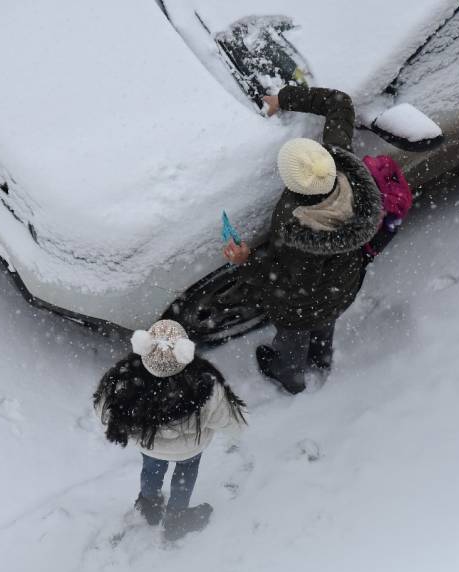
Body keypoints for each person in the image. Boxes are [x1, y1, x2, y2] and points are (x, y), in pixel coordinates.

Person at [223, 86, 382, 394]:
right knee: (326, 323)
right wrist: (284, 98)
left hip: (303, 306)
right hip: (343, 285)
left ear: (296, 186)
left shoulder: (300, 233)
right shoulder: (342, 165)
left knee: (293, 340)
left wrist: (245, 261)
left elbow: (281, 278)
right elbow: (339, 103)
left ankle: (290, 377)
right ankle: (322, 357)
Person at [93, 319, 247, 541]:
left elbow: (104, 410)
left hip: (151, 446)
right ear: (185, 352)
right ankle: (177, 518)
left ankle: (149, 506)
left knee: (151, 470)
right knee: (186, 474)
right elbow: (229, 418)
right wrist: (237, 429)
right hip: (189, 450)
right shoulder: (204, 385)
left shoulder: (126, 380)